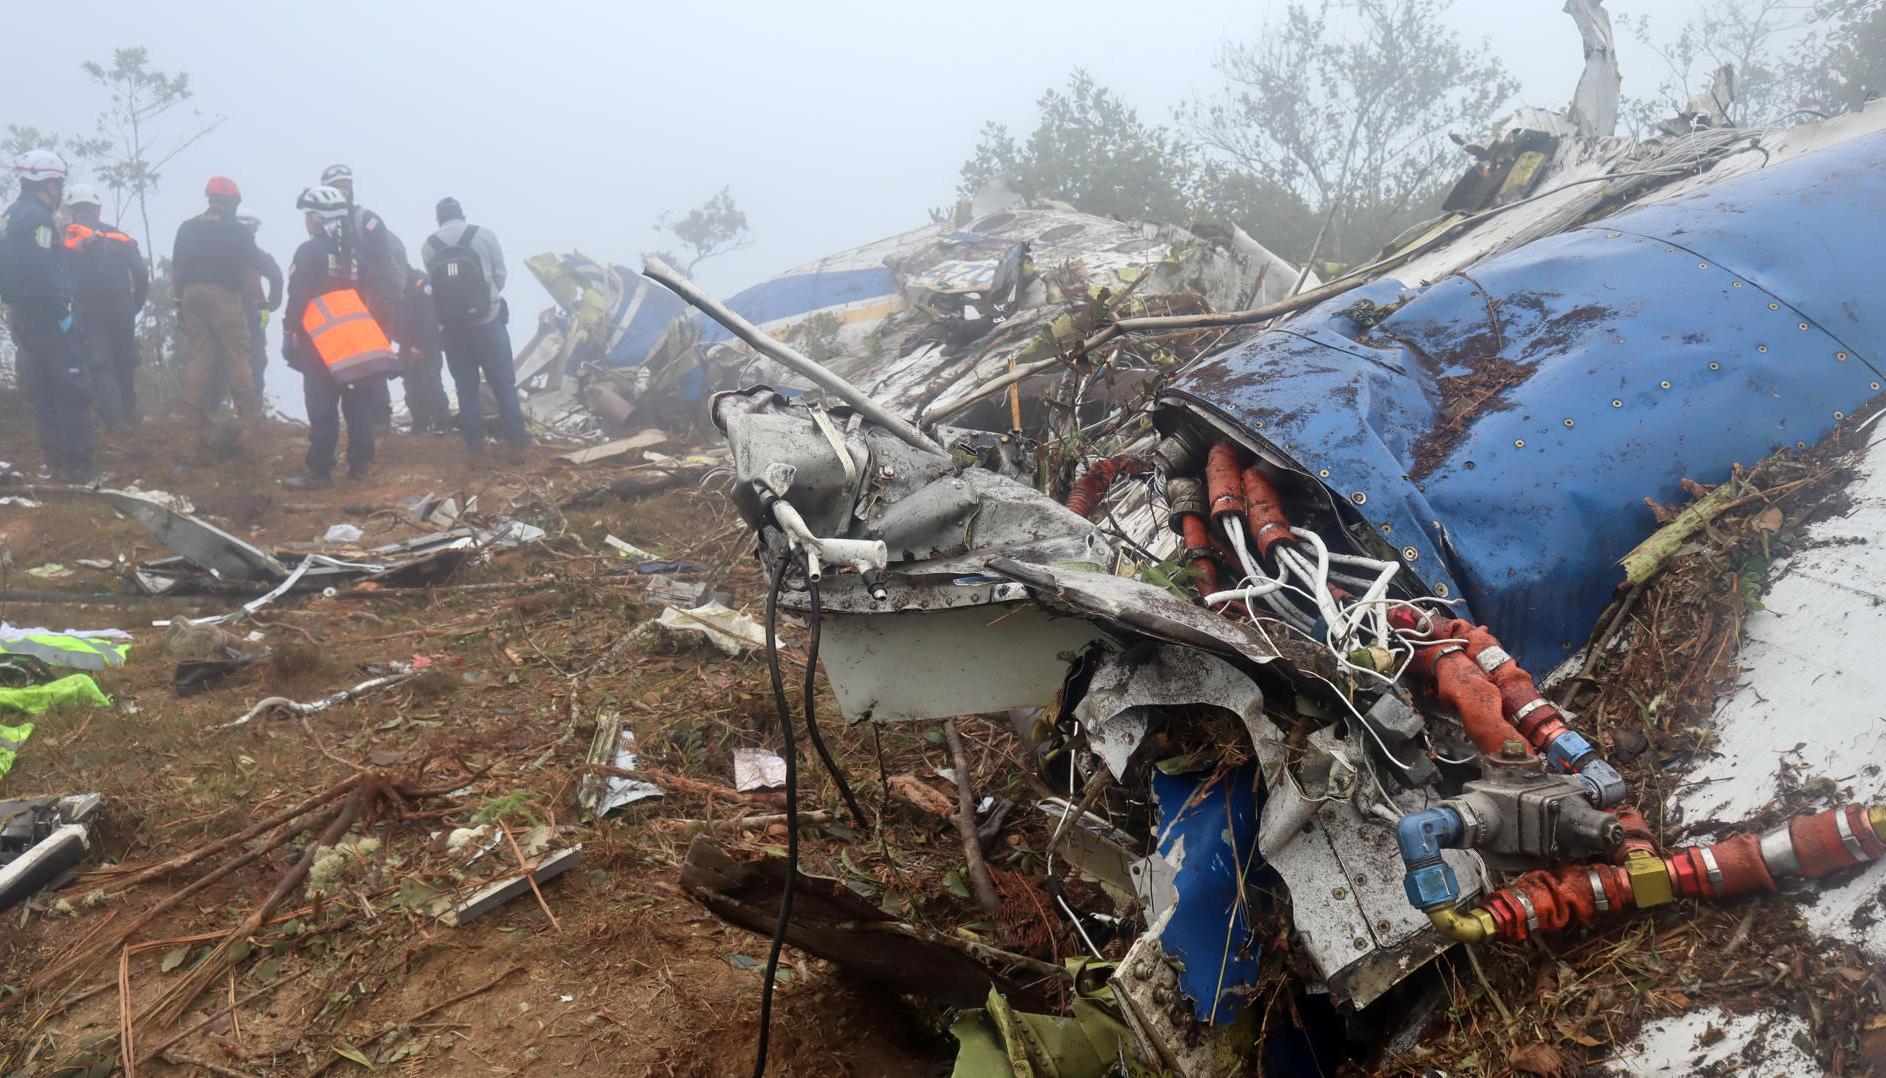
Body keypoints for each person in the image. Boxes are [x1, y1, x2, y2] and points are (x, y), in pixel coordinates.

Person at [281, 185, 398, 489]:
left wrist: (288, 331)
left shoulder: (308, 252)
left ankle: (320, 471)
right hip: (354, 342)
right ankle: (359, 466)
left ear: (318, 219)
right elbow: (366, 292)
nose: (306, 221)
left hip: (319, 342)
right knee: (357, 403)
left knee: (321, 406)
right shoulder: (355, 255)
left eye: (309, 215)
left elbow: (298, 296)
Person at [0, 151, 94, 481]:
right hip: (48, 314)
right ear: (50, 184)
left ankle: (55, 462)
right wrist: (61, 312)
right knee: (70, 384)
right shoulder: (39, 218)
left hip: (23, 314)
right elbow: (40, 265)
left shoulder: (11, 214)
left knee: (42, 387)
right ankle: (77, 466)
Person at [422, 197, 529, 462]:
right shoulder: (484, 236)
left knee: (465, 387)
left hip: (452, 329)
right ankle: (516, 443)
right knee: (504, 384)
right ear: (462, 214)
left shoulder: (428, 246)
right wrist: (484, 301)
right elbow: (500, 275)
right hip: (488, 322)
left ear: (438, 219)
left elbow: (435, 288)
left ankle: (474, 447)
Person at [172, 176, 263, 448]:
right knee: (237, 355)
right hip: (224, 297)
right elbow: (251, 273)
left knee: (199, 356)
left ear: (209, 199)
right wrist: (261, 304)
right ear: (233, 201)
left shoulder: (187, 227)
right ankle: (248, 417)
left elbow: (177, 270)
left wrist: (178, 302)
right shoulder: (238, 231)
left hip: (191, 295)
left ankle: (194, 416)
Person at [61, 182, 147, 428]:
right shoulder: (118, 235)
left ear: (71, 210)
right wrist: (135, 304)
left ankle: (114, 418)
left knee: (99, 360)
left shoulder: (64, 236)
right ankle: (129, 409)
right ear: (97, 210)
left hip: (86, 306)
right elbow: (140, 273)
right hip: (122, 303)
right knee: (125, 356)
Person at [202, 215, 281, 412]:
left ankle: (211, 411)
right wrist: (270, 305)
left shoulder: (217, 254)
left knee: (221, 361)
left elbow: (276, 278)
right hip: (247, 316)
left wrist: (269, 305)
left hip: (227, 316)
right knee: (253, 361)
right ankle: (250, 412)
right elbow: (276, 278)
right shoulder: (257, 255)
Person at [389, 266, 450, 433]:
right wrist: (408, 344)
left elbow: (429, 317)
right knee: (411, 386)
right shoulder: (392, 284)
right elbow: (392, 320)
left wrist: (421, 345)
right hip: (406, 343)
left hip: (428, 342)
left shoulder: (420, 282)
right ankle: (420, 423)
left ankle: (443, 423)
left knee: (433, 383)